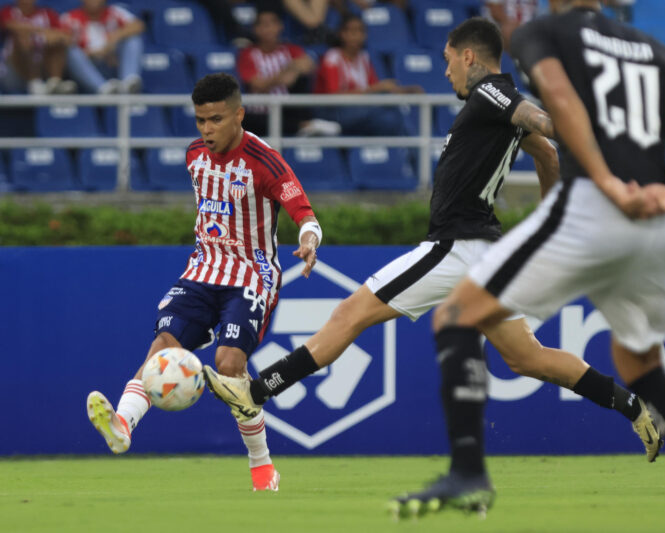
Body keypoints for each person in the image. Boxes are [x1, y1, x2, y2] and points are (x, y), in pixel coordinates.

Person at [202, 15, 663, 499]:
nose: (446, 73)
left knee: (350, 313)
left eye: (448, 62)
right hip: (483, 253)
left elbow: (538, 124)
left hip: (455, 247)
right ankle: (634, 406)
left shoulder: (491, 94)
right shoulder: (494, 110)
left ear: (468, 57)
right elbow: (546, 156)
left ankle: (254, 392)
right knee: (527, 357)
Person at [410, 0, 665, 529]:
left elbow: (558, 104)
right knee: (643, 366)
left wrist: (608, 182)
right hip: (656, 220)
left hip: (595, 207)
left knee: (455, 316)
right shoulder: (652, 49)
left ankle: (469, 471)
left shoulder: (544, 32)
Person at [86, 73, 322, 492]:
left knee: (229, 364)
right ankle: (122, 425)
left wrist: (308, 242)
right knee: (162, 346)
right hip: (203, 270)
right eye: (200, 120)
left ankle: (262, 465)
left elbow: (304, 213)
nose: (207, 129)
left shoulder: (266, 162)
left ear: (239, 115)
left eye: (215, 119)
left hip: (252, 273)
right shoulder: (194, 154)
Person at [237, 6, 341, 136]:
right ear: (256, 29)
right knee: (246, 120)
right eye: (264, 25)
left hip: (288, 109)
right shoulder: (248, 54)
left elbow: (308, 64)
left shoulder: (290, 49)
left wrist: (293, 70)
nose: (269, 29)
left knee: (302, 81)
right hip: (260, 112)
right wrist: (285, 73)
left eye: (273, 23)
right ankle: (305, 125)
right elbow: (258, 85)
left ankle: (304, 124)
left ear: (280, 26)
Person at [313, 13, 422, 136]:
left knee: (391, 120)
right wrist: (380, 89)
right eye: (351, 31)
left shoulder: (364, 58)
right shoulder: (332, 58)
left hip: (361, 111)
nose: (356, 36)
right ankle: (420, 152)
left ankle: (406, 154)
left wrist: (403, 91)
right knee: (389, 104)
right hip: (333, 111)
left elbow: (373, 91)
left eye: (360, 31)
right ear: (341, 34)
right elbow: (334, 97)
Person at [60, 0, 144, 94]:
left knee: (133, 39)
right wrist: (90, 53)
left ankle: (129, 83)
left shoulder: (115, 12)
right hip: (87, 68)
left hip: (112, 64)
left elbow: (138, 25)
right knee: (72, 51)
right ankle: (104, 89)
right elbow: (61, 43)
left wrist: (115, 37)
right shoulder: (69, 18)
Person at [0, 0, 76, 95]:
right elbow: (12, 26)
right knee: (23, 37)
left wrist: (56, 36)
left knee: (58, 41)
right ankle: (34, 83)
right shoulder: (8, 11)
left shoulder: (47, 14)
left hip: (43, 67)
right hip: (15, 71)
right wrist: (45, 32)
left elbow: (67, 37)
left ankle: (55, 82)